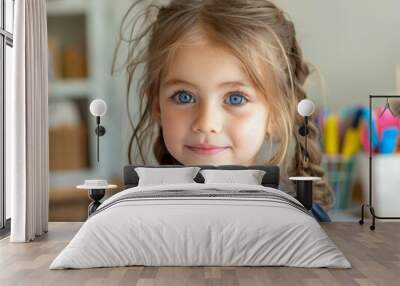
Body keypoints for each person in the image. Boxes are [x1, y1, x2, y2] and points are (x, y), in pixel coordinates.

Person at [112, 0, 334, 221]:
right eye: (184, 96)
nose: (207, 123)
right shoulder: (132, 219)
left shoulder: (299, 220)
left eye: (235, 99)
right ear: (157, 105)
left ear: (277, 113)